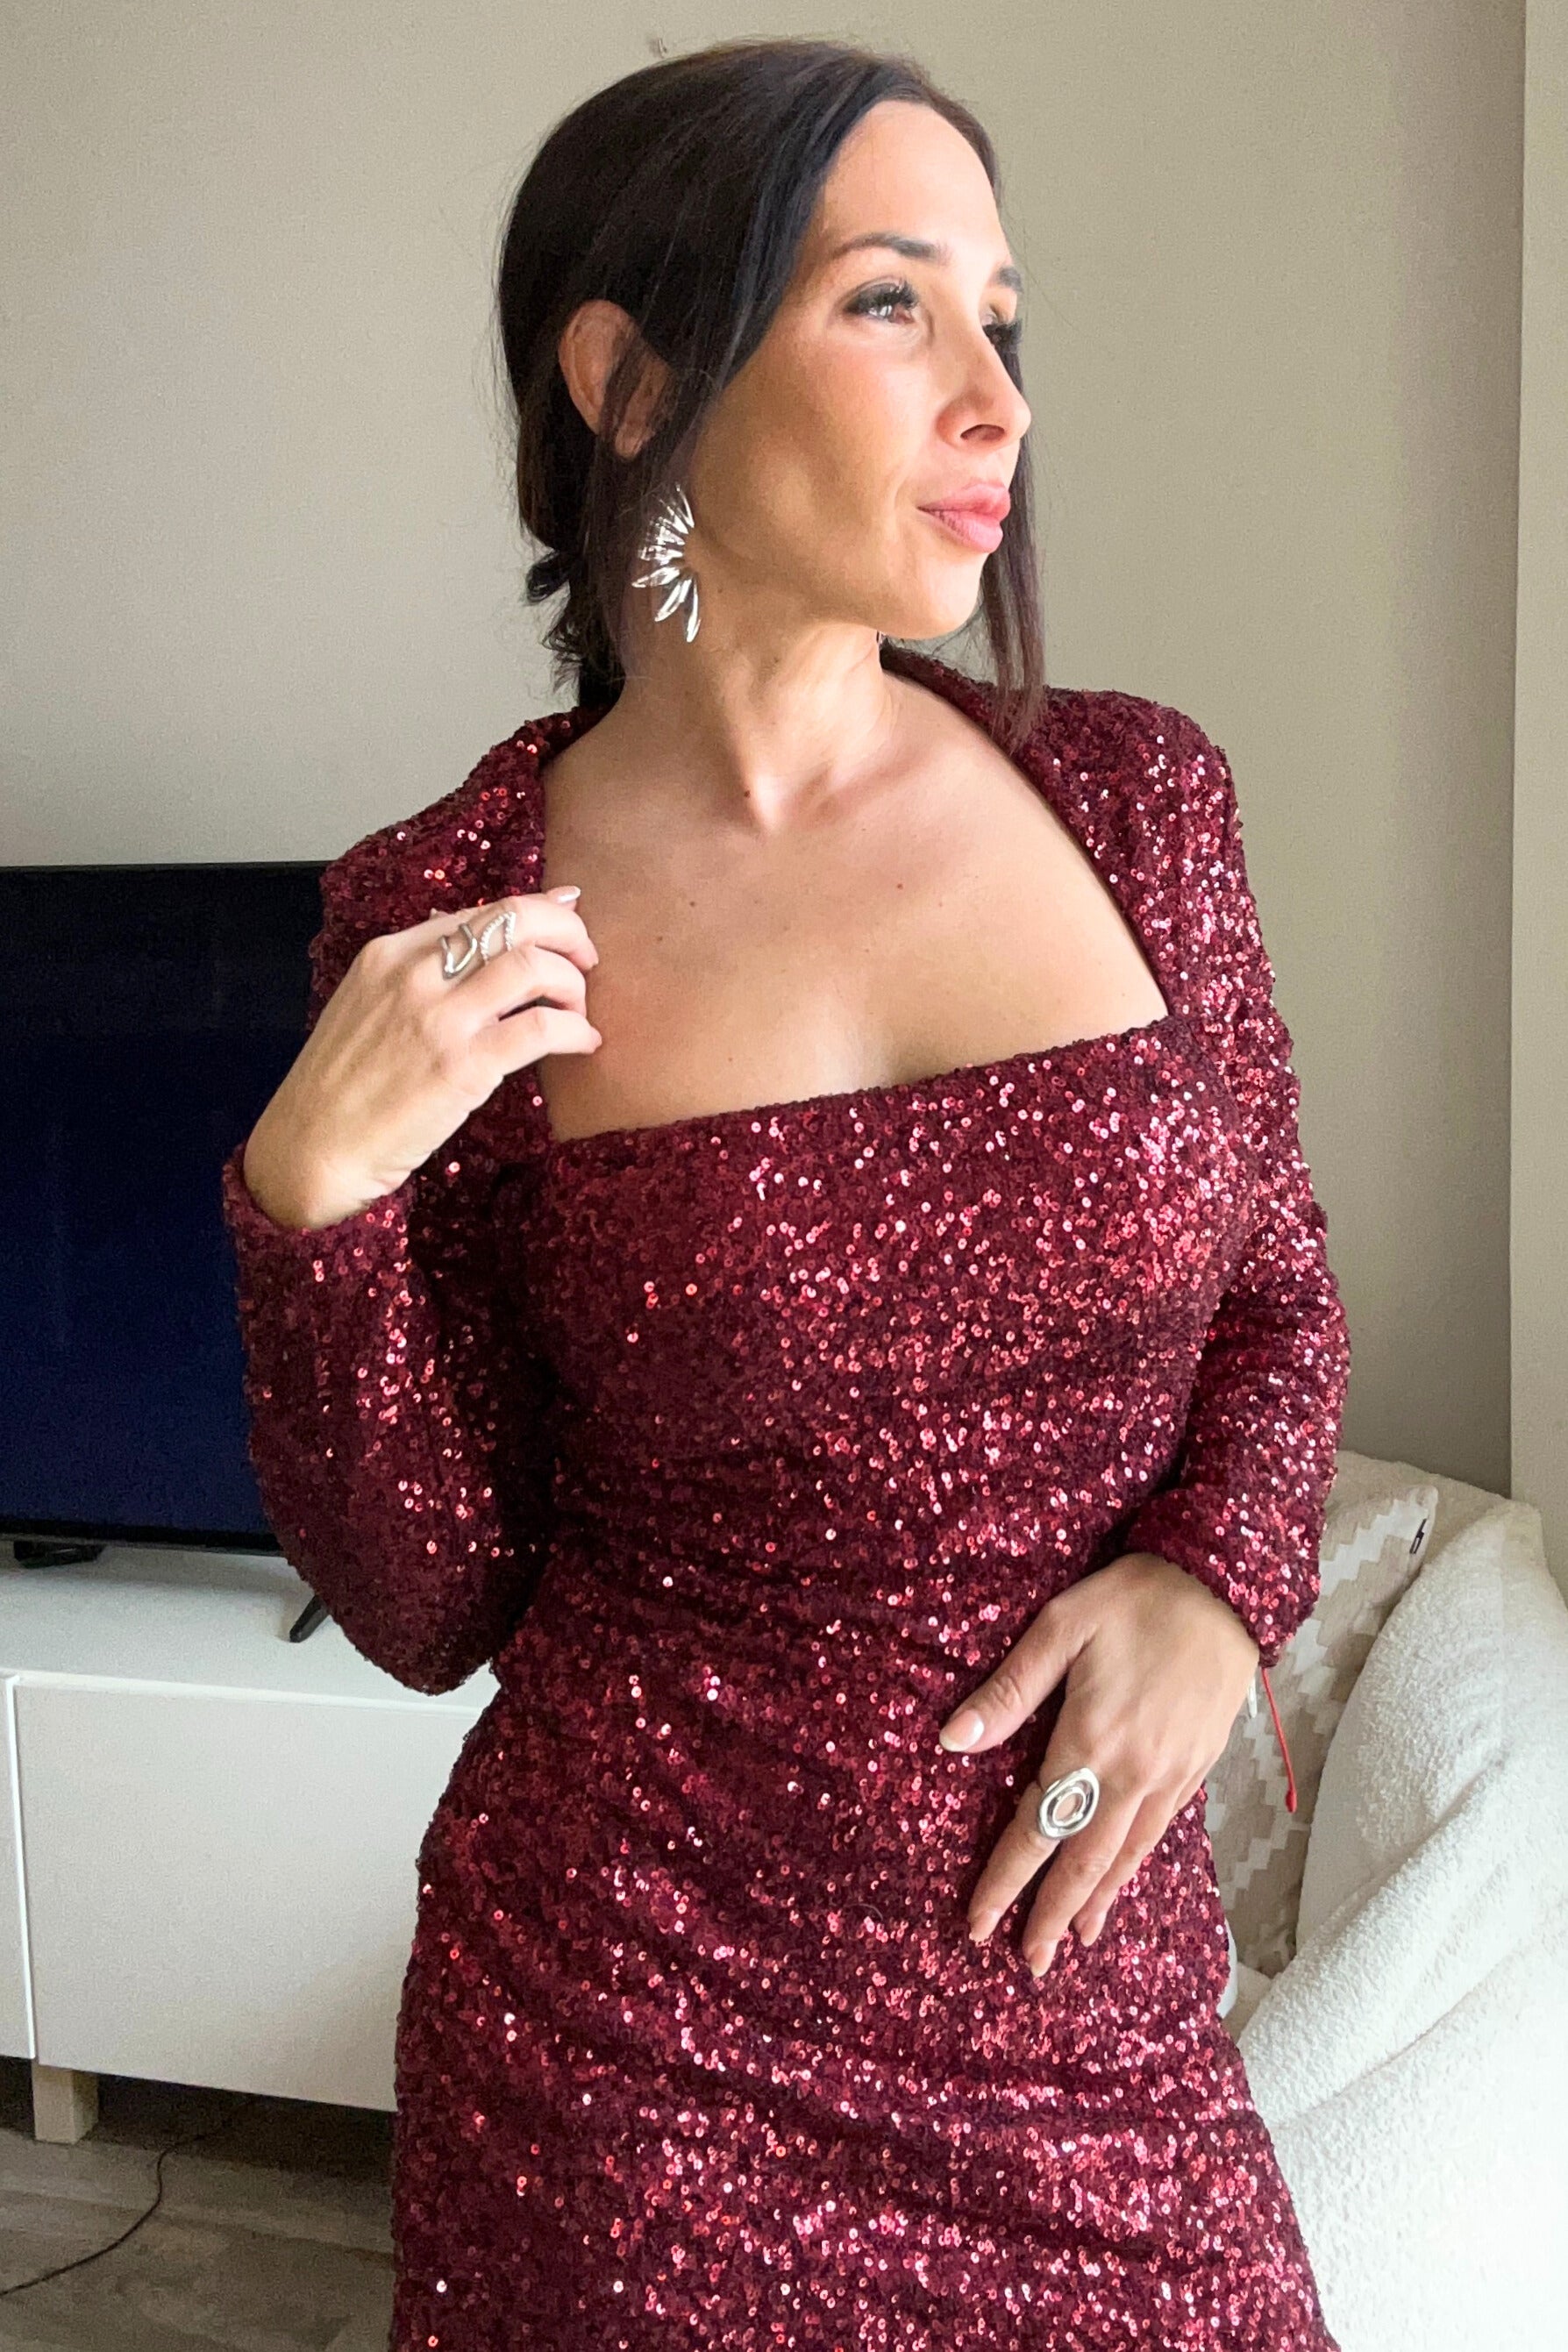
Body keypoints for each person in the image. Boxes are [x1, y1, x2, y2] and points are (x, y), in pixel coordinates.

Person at [221, 36, 1351, 2350]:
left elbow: (1278, 1299)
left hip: (1083, 2031)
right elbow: (429, 1598)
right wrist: (307, 1208)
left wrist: (1217, 1586)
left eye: (1001, 319)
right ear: (630, 378)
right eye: (889, 303)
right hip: (620, 2059)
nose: (996, 402)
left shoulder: (1138, 804)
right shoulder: (445, 909)